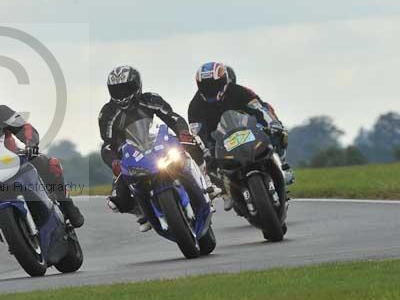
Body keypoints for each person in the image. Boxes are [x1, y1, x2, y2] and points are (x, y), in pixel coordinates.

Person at [0, 81, 84, 228]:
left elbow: (24, 127)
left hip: (12, 161)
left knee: (48, 164)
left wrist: (30, 144)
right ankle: (1, 228)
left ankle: (67, 205)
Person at [99, 66, 210, 232]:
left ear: (137, 86)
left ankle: (206, 181)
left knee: (192, 143)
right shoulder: (107, 113)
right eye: (116, 90)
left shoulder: (150, 99)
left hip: (158, 142)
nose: (121, 94)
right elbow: (108, 143)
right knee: (116, 199)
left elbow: (173, 118)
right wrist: (115, 161)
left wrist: (183, 133)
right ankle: (141, 211)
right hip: (131, 154)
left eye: (125, 88)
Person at [188, 62, 293, 211]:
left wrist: (272, 123)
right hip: (219, 140)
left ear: (224, 81)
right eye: (206, 86)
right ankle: (226, 191)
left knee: (279, 133)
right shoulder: (195, 106)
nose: (210, 89)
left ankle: (282, 164)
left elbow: (259, 107)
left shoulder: (239, 91)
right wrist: (204, 148)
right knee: (204, 161)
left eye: (214, 85)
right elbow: (196, 132)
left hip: (248, 130)